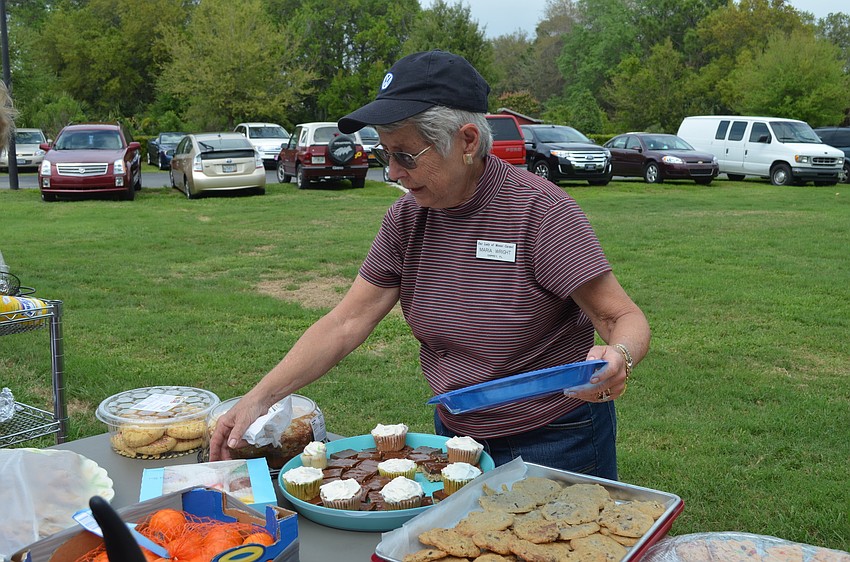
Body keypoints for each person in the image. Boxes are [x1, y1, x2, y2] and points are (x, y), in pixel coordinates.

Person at [210, 50, 650, 480]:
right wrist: (259, 397)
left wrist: (620, 356)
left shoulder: (540, 210)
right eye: (386, 155)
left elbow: (621, 316)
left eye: (406, 155)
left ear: (467, 142)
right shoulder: (407, 218)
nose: (393, 173)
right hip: (455, 437)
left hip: (556, 435)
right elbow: (346, 321)